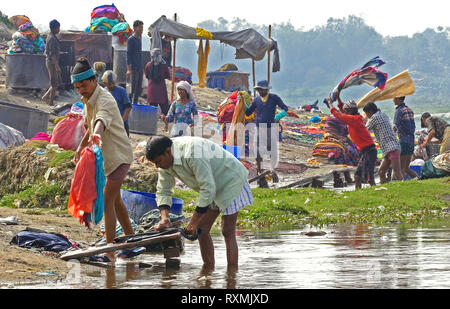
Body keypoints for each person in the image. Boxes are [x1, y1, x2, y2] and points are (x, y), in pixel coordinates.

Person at [146, 135, 253, 268]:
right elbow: (163, 190)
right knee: (201, 230)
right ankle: (208, 270)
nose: (157, 166)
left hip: (230, 179)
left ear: (168, 152)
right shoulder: (165, 164)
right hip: (211, 185)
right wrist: (164, 218)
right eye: (155, 163)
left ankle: (231, 276)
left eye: (158, 161)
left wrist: (194, 220)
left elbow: (207, 188)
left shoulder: (192, 152)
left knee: (227, 230)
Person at [72, 57, 134, 262]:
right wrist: (81, 146)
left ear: (94, 81)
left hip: (119, 155)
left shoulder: (105, 99)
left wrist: (97, 134)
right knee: (116, 201)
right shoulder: (87, 100)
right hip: (107, 158)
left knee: (108, 198)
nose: (81, 90)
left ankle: (110, 251)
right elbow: (89, 126)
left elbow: (100, 121)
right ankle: (131, 241)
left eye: (84, 85)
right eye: (78, 87)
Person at [328, 92, 377, 189]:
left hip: (368, 150)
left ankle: (371, 191)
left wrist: (330, 104)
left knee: (363, 175)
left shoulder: (354, 120)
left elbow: (340, 115)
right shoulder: (354, 118)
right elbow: (343, 112)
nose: (344, 112)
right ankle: (364, 191)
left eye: (346, 111)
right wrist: (338, 98)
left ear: (350, 111)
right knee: (362, 175)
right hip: (367, 151)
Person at [245, 80, 288, 173]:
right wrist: (243, 103)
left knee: (271, 149)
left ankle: (273, 170)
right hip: (259, 127)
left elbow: (285, 107)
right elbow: (248, 112)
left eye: (262, 90)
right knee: (257, 150)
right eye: (258, 90)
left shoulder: (274, 98)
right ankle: (259, 170)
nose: (260, 92)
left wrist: (281, 114)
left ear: (266, 90)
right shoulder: (256, 100)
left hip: (270, 127)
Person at [363, 102, 404, 184]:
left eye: (366, 113)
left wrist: (363, 120)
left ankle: (405, 188)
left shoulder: (374, 117)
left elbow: (365, 129)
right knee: (381, 172)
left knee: (397, 172)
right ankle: (384, 188)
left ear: (370, 112)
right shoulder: (382, 114)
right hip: (389, 148)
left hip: (392, 147)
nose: (366, 115)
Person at [102, 70, 132, 137]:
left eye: (113, 83)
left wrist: (122, 121)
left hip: (122, 123)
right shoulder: (104, 91)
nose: (111, 85)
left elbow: (128, 107)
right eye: (109, 84)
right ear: (105, 83)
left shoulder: (121, 91)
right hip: (110, 123)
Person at [393, 97, 418, 179]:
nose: (393, 100)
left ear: (398, 99)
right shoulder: (409, 109)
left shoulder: (399, 111)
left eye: (394, 98)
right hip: (411, 140)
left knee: (400, 168)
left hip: (403, 140)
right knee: (406, 168)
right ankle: (417, 178)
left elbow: (395, 126)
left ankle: (403, 183)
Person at [145, 48, 170, 115]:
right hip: (161, 89)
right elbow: (167, 75)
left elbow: (147, 76)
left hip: (151, 89)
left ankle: (152, 124)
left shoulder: (148, 65)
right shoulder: (164, 65)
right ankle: (166, 124)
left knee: (152, 111)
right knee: (165, 110)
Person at [42, 19, 62, 106]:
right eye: (58, 28)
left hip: (52, 62)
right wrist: (57, 66)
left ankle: (45, 97)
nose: (59, 30)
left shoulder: (52, 37)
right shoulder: (52, 39)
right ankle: (51, 102)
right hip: (51, 63)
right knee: (54, 84)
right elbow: (52, 54)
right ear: (54, 28)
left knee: (54, 83)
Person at [127, 20, 144, 105]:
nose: (141, 29)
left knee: (138, 88)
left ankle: (135, 104)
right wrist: (129, 69)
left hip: (139, 67)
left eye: (142, 27)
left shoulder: (139, 39)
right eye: (140, 27)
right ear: (135, 28)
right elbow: (128, 54)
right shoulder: (131, 39)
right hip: (133, 68)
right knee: (132, 88)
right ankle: (129, 105)